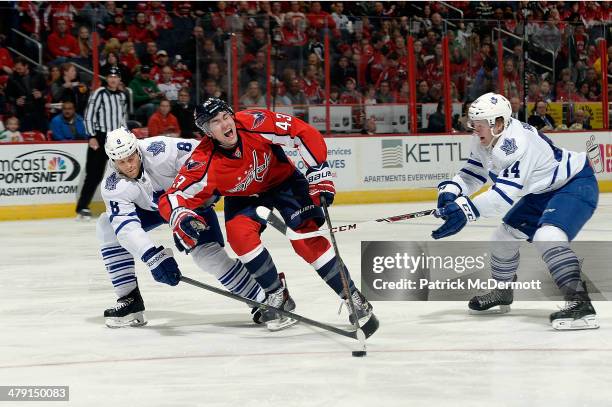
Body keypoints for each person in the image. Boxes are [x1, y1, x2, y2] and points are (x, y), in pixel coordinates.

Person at [158, 98, 377, 331]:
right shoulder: (203, 160)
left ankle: (352, 297)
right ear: (206, 131)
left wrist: (318, 170)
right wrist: (181, 217)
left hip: (285, 182)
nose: (224, 124)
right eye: (215, 122)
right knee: (239, 237)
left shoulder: (254, 121)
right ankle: (277, 295)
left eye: (225, 116)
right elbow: (173, 196)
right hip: (244, 197)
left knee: (306, 240)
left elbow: (300, 131)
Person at [432, 92, 599, 330]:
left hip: (574, 183)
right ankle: (503, 291)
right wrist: (450, 191)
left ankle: (581, 305)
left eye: (480, 125)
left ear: (499, 123)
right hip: (543, 191)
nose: (475, 129)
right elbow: (472, 174)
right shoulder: (486, 137)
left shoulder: (516, 143)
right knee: (502, 239)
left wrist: (464, 210)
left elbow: (501, 197)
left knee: (548, 237)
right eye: (474, 124)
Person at [98, 128, 265, 328]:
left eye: (131, 157)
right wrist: (151, 256)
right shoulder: (111, 185)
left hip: (188, 200)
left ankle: (261, 298)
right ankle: (130, 300)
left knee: (207, 257)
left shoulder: (160, 150)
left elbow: (204, 155)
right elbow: (125, 226)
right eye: (121, 162)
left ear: (137, 148)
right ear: (112, 161)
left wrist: (208, 195)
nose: (128, 165)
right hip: (153, 209)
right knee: (107, 225)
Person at [76, 66, 127, 220]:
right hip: (99, 137)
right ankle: (82, 207)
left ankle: (125, 206)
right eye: (110, 76)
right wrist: (91, 136)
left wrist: (126, 134)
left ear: (119, 79)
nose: (113, 79)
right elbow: (89, 115)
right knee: (94, 174)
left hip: (116, 138)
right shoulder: (99, 93)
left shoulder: (122, 96)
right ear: (107, 78)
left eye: (116, 76)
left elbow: (122, 117)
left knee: (123, 173)